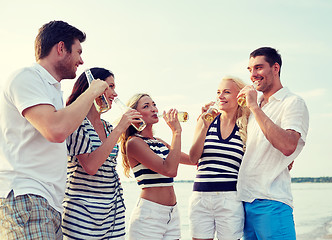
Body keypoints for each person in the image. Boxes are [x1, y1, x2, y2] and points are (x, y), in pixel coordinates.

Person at [0, 21, 108, 239]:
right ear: (60, 48)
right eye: (78, 51)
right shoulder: (27, 77)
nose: (82, 60)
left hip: (49, 203)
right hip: (27, 197)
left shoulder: (52, 91)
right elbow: (56, 130)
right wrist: (91, 92)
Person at [236, 47, 309, 240]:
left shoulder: (293, 102)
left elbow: (287, 146)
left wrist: (253, 107)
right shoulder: (255, 107)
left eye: (259, 68)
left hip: (272, 201)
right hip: (245, 201)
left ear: (275, 68)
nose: (253, 75)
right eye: (250, 69)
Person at [62, 68, 144, 239]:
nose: (115, 93)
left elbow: (108, 167)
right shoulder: (77, 123)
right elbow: (91, 166)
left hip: (112, 213)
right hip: (82, 214)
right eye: (110, 86)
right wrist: (121, 127)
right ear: (96, 88)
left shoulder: (108, 127)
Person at [120, 93, 192, 240]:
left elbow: (193, 160)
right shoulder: (134, 142)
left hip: (172, 214)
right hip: (149, 216)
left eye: (154, 104)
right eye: (146, 106)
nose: (153, 109)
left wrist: (204, 124)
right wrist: (176, 132)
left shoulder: (159, 142)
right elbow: (169, 170)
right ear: (135, 115)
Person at [188, 76, 250, 240]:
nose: (220, 96)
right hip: (200, 197)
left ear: (240, 97)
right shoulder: (206, 120)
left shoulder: (247, 125)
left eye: (227, 92)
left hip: (230, 198)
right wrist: (204, 127)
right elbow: (194, 157)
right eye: (218, 92)